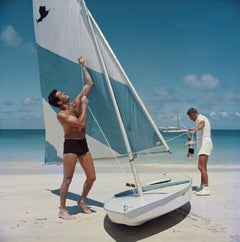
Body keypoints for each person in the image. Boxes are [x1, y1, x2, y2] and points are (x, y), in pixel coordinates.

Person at [48, 56, 96, 219]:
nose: (64, 92)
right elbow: (81, 125)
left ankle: (82, 200)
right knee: (67, 179)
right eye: (61, 93)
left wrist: (82, 66)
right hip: (70, 146)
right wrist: (84, 106)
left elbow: (89, 84)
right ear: (58, 101)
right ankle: (62, 209)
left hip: (82, 144)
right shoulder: (62, 115)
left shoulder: (74, 104)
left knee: (92, 177)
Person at [187, 108, 213, 196]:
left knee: (200, 166)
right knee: (203, 167)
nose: (190, 119)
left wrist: (194, 131)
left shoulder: (201, 118)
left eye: (190, 117)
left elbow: (202, 124)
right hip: (204, 144)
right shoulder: (199, 119)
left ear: (193, 114)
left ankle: (206, 188)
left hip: (205, 144)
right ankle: (202, 186)